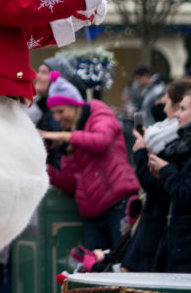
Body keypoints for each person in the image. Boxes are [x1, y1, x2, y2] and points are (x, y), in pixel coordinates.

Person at [41, 72, 139, 250]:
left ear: (75, 105)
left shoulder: (98, 113)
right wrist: (42, 166)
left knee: (124, 262)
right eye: (54, 113)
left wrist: (64, 136)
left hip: (118, 204)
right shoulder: (69, 137)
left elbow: (101, 141)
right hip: (93, 214)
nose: (57, 118)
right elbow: (71, 183)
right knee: (94, 266)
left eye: (61, 111)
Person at [124, 76, 191, 271]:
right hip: (164, 230)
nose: (168, 110)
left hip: (168, 230)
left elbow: (175, 190)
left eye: (182, 109)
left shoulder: (185, 145)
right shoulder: (178, 141)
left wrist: (143, 155)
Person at [146, 87, 191, 272]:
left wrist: (165, 170)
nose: (176, 114)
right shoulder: (184, 147)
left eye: (183, 109)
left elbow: (187, 194)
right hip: (180, 246)